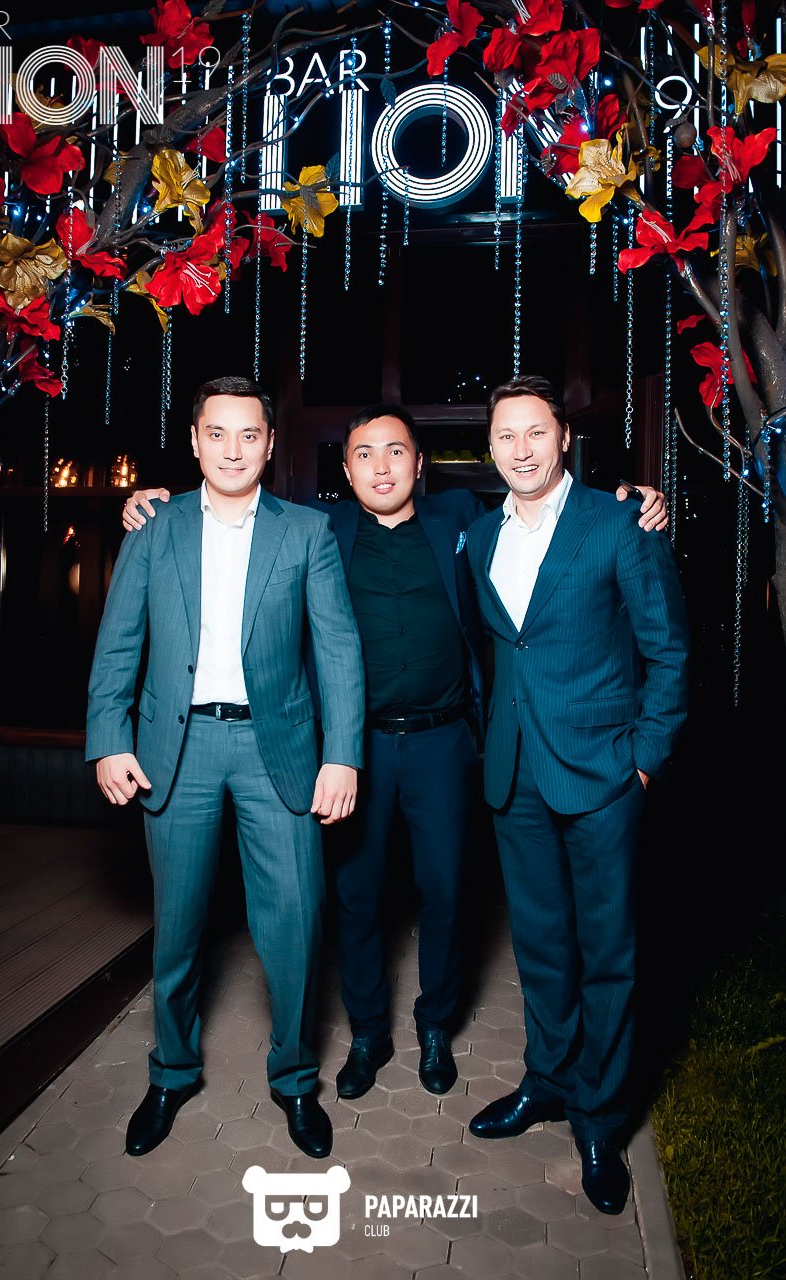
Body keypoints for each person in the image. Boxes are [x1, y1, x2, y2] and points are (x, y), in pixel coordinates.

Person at [122, 403, 667, 1104]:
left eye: (395, 452)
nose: (381, 467)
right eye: (364, 455)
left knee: (447, 892)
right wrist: (147, 500)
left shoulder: (462, 522)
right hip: (356, 750)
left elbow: (547, 512)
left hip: (445, 743)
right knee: (356, 897)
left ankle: (435, 1026)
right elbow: (234, 508)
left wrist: (633, 494)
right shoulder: (318, 529)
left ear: (420, 463)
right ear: (346, 472)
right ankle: (368, 1033)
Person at [86, 376, 364, 1160]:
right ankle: (171, 1073)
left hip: (280, 752)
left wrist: (342, 755)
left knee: (295, 927)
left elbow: (338, 651)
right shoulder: (154, 527)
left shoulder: (306, 533)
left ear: (270, 445)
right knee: (177, 929)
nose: (232, 450)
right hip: (177, 750)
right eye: (217, 433)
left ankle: (295, 1080)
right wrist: (109, 738)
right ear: (194, 440)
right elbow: (118, 641)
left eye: (248, 435)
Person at [466, 375, 689, 1216]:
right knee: (541, 945)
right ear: (489, 447)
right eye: (505, 435)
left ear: (563, 438)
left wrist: (643, 760)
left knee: (607, 952)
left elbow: (668, 652)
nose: (520, 449)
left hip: (602, 774)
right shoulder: (478, 536)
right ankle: (548, 1081)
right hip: (515, 774)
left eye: (535, 432)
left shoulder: (619, 523)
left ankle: (599, 1117)